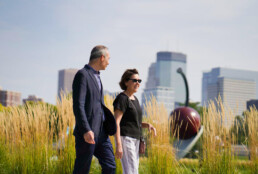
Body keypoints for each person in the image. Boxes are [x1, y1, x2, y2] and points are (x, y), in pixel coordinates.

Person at [72, 45, 116, 174]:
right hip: (88, 132)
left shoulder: (98, 76)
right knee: (82, 169)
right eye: (108, 58)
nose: (109, 62)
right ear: (102, 58)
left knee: (110, 166)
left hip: (102, 133)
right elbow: (78, 106)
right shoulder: (82, 75)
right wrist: (86, 130)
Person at [113, 69, 157, 174]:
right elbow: (116, 122)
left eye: (139, 80)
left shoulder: (135, 99)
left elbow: (133, 121)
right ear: (126, 82)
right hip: (126, 138)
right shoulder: (122, 98)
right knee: (132, 171)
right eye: (134, 80)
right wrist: (118, 144)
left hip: (136, 139)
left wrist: (147, 125)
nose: (138, 83)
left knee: (132, 171)